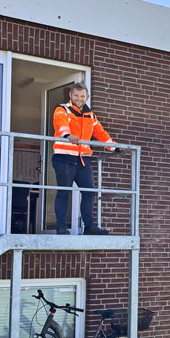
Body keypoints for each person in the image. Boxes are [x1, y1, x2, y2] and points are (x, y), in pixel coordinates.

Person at [51, 82, 119, 235]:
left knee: (89, 192)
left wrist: (114, 147)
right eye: (76, 95)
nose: (79, 99)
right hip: (64, 158)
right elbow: (61, 125)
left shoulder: (91, 115)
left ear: (87, 97)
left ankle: (89, 227)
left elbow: (100, 133)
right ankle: (61, 227)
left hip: (83, 160)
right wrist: (68, 136)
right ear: (70, 95)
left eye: (82, 96)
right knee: (63, 192)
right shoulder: (62, 109)